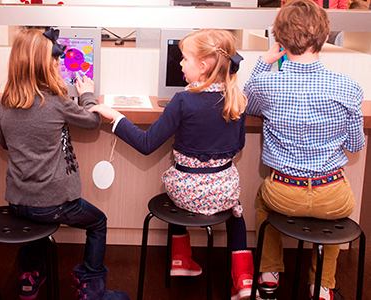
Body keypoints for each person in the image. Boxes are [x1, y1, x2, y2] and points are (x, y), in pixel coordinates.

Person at [90, 29, 255, 300]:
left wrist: (116, 117)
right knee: (236, 211)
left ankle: (180, 259)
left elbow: (146, 144)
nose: (180, 63)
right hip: (224, 190)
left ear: (202, 67)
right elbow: (238, 147)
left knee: (173, 182)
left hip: (186, 193)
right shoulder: (237, 100)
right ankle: (244, 279)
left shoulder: (182, 100)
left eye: (184, 59)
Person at [243, 1, 365, 299]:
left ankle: (269, 276)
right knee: (335, 213)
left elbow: (248, 102)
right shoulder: (348, 87)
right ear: (325, 38)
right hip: (332, 194)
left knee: (263, 201)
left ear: (279, 41)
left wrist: (263, 62)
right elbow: (356, 144)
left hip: (284, 192)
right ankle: (321, 287)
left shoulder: (266, 83)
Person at [0, 28, 130, 300]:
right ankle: (92, 289)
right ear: (45, 66)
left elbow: (4, 143)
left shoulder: (4, 102)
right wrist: (87, 94)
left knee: (33, 221)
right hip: (54, 204)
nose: (58, 64)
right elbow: (93, 122)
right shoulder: (56, 102)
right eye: (55, 61)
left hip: (18, 200)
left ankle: (29, 277)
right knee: (98, 223)